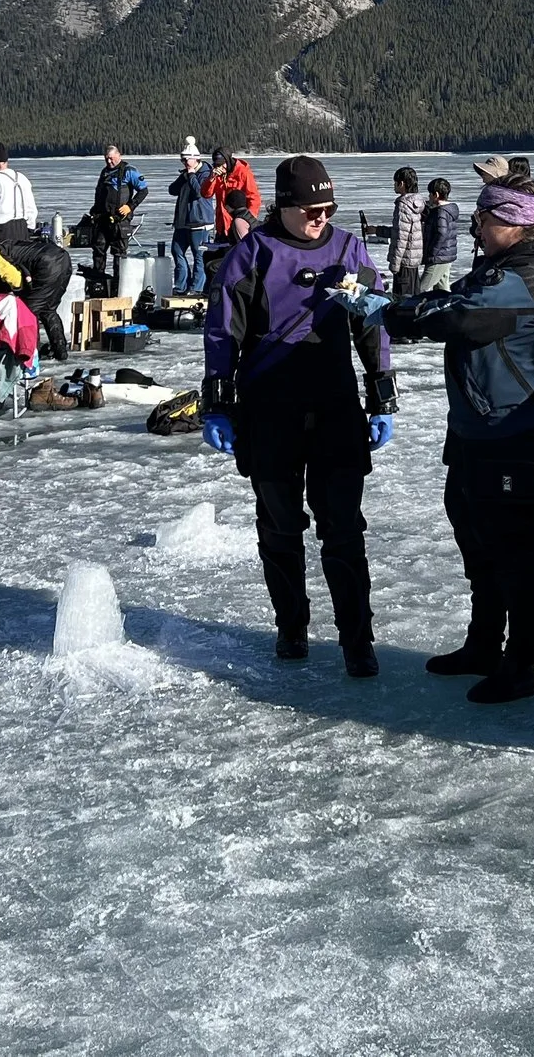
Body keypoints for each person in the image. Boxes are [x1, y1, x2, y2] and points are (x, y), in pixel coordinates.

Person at [201, 156, 396, 677]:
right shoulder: (252, 255)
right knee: (280, 529)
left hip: (335, 409)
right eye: (312, 209)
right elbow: (222, 333)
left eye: (329, 208)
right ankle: (291, 628)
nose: (321, 217)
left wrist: (382, 396)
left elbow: (373, 323)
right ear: (285, 206)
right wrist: (217, 406)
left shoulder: (348, 250)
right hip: (270, 412)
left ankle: (358, 640)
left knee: (344, 530)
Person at [385, 180, 534, 703]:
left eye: (485, 218)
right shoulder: (502, 264)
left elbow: (464, 316)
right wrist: (403, 302)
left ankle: (520, 665)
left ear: (514, 222)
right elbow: (453, 298)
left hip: (513, 429)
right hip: (476, 425)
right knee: (476, 539)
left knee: (516, 550)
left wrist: (395, 313)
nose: (477, 227)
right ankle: (484, 645)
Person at [0, 217, 74, 364]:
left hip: (47, 264)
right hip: (63, 259)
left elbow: (15, 280)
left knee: (28, 312)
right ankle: (60, 351)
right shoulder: (6, 247)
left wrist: (16, 294)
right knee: (48, 308)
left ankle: (31, 352)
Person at [87, 144, 147, 288]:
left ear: (119, 156)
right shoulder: (104, 172)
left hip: (120, 220)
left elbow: (143, 191)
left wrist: (130, 206)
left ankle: (118, 285)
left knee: (119, 254)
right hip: (102, 219)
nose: (109, 162)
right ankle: (99, 284)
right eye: (106, 159)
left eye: (111, 158)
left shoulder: (129, 171)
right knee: (98, 250)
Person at [168, 140, 217, 297]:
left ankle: (197, 287)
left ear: (195, 158)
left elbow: (199, 192)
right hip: (183, 221)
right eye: (182, 159)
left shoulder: (206, 174)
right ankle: (181, 285)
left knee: (199, 255)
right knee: (177, 251)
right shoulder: (185, 174)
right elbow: (172, 190)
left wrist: (191, 175)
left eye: (186, 159)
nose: (184, 162)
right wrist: (184, 176)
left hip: (199, 221)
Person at [0, 143, 38, 240]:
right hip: (22, 228)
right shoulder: (22, 178)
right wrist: (31, 226)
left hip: (2, 230)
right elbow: (31, 206)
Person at [202, 148, 260, 237]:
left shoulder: (243, 172)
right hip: (222, 224)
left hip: (238, 224)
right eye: (217, 165)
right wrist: (211, 179)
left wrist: (249, 221)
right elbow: (206, 194)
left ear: (228, 161)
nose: (219, 168)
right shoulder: (216, 175)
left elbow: (254, 198)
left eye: (221, 164)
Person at [386, 166, 425, 297]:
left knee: (402, 300)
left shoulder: (403, 205)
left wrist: (395, 265)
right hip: (413, 261)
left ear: (401, 183)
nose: (394, 186)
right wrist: (378, 230)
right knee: (413, 297)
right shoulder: (415, 203)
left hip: (404, 262)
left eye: (395, 182)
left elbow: (401, 238)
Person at [419, 177, 462, 290]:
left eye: (430, 194)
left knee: (421, 289)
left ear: (436, 195)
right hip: (445, 255)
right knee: (442, 289)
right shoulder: (445, 210)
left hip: (439, 257)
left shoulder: (441, 212)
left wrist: (432, 252)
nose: (429, 196)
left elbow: (442, 233)